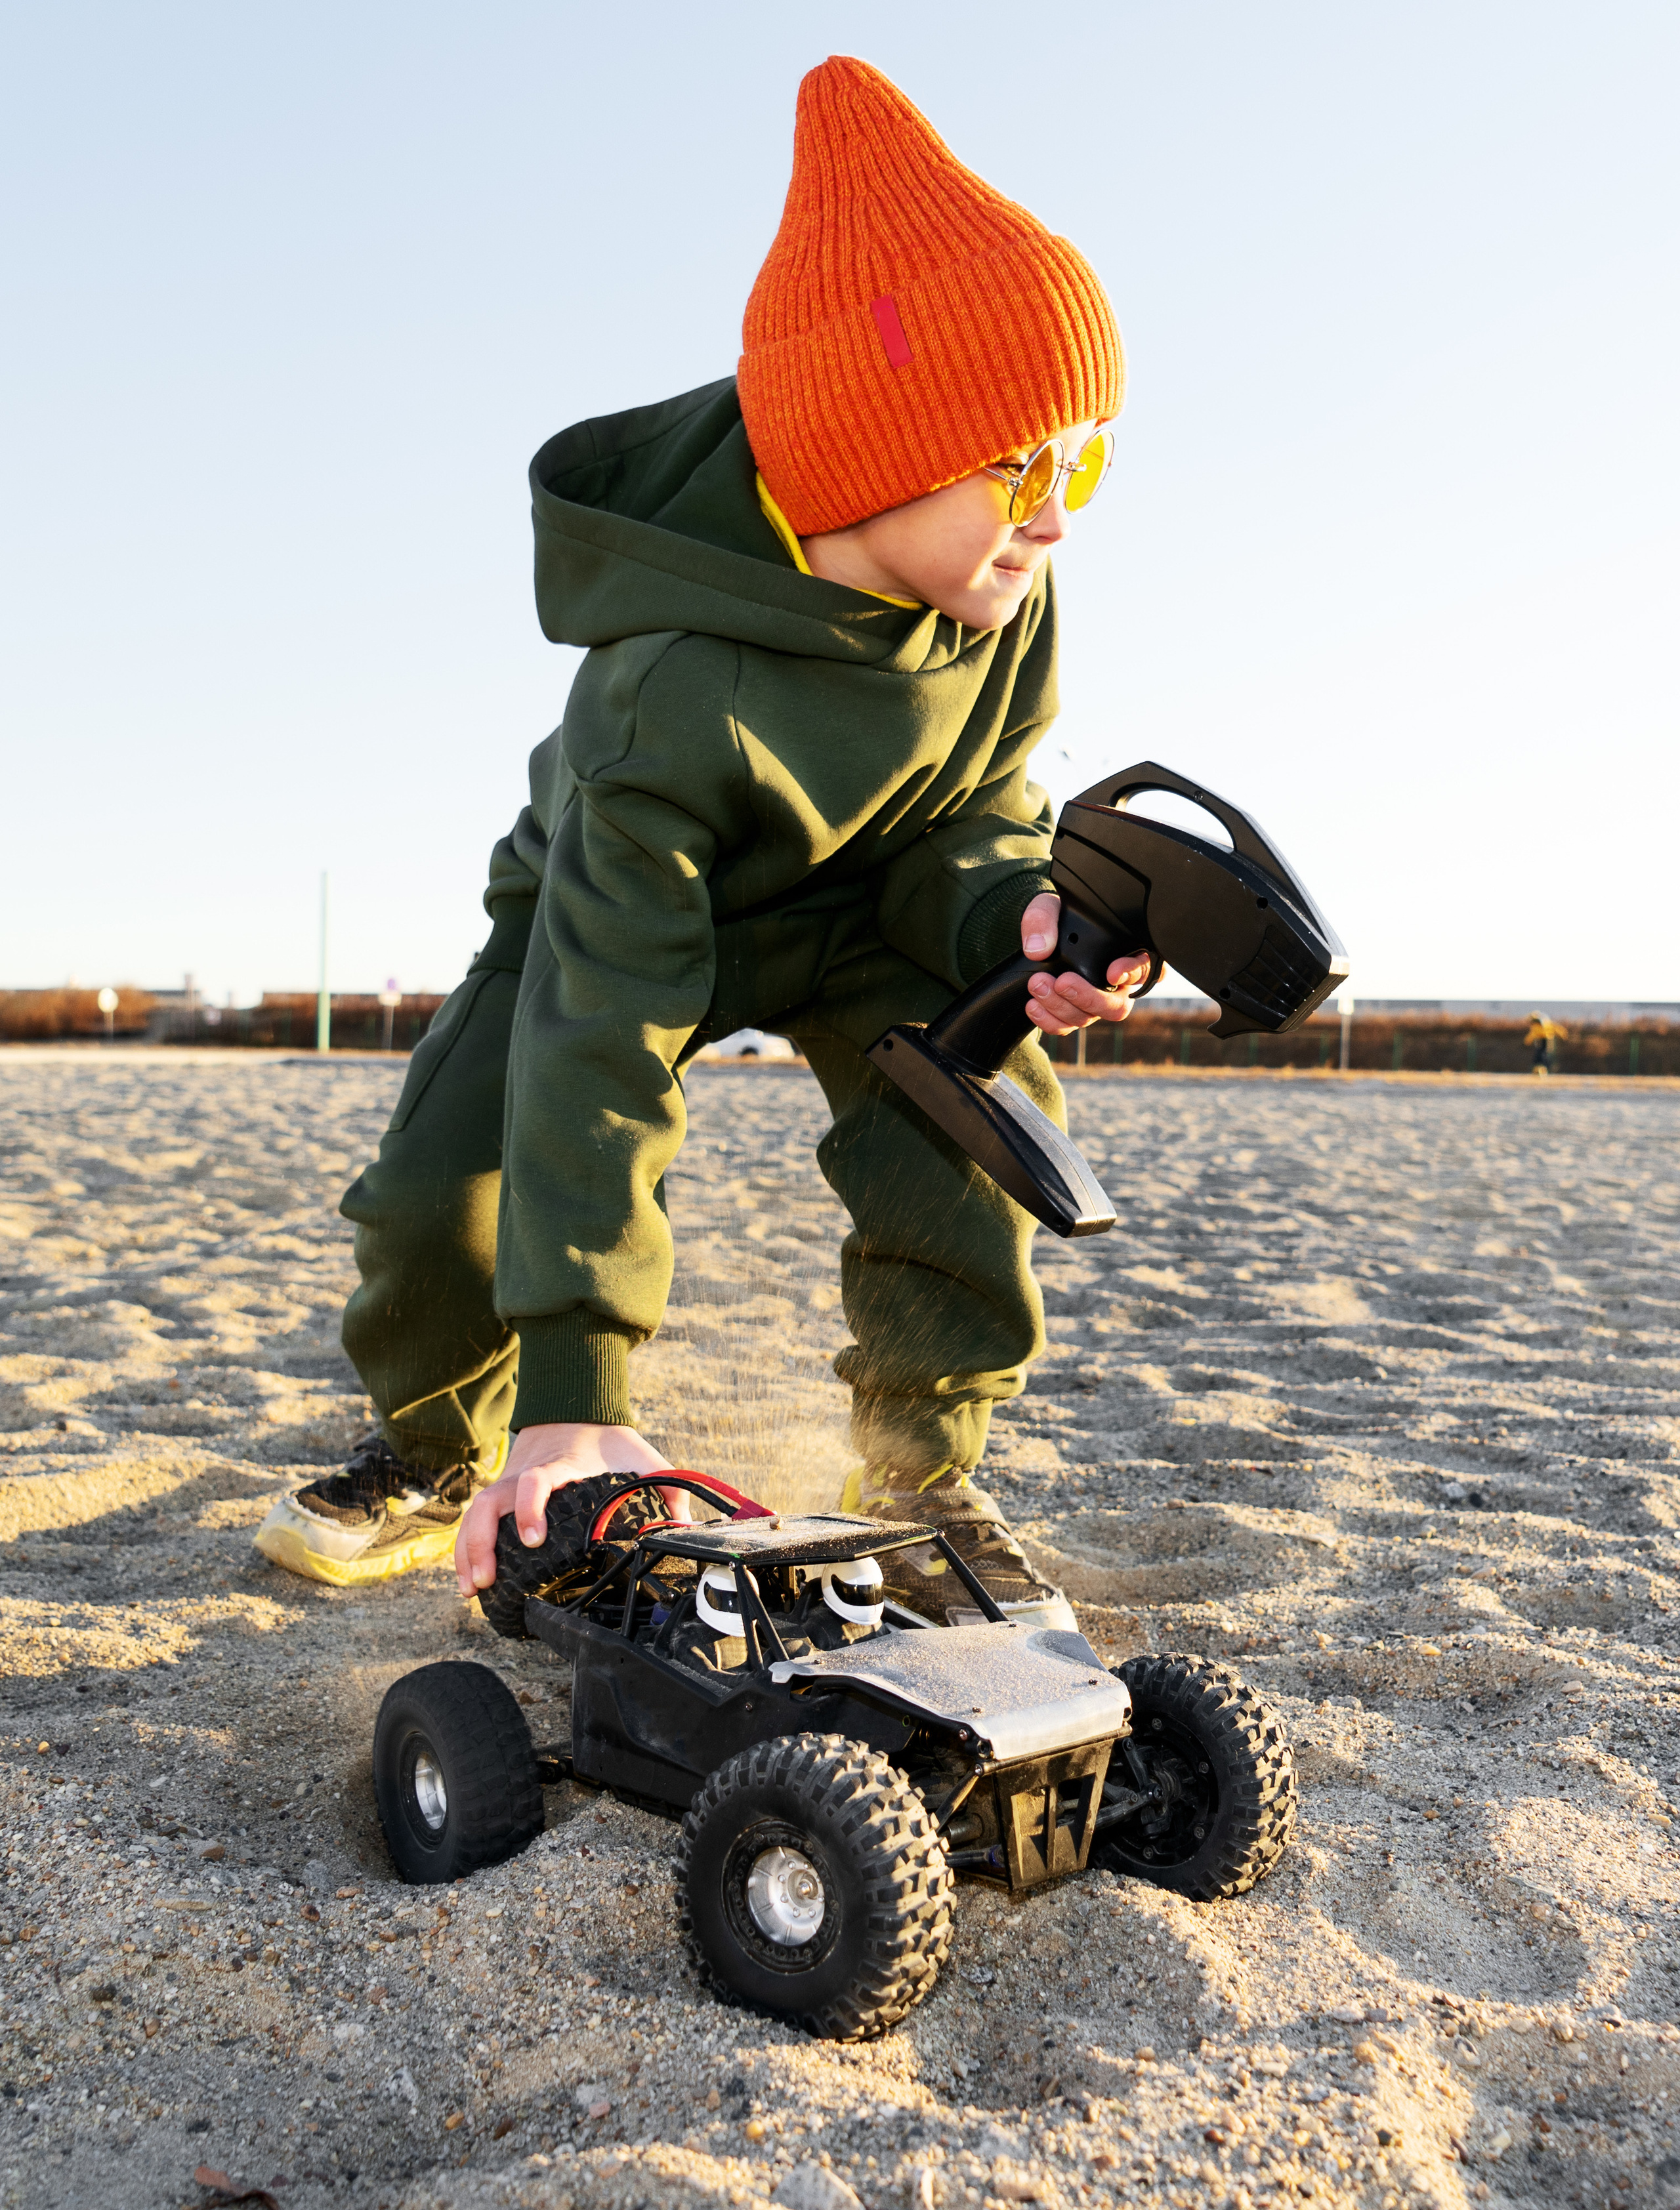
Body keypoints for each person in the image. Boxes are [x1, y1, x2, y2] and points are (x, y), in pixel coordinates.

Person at [254, 54, 1144, 1628]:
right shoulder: (668, 686)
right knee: (434, 1197)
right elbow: (604, 1029)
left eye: (1083, 460)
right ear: (877, 451)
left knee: (968, 1110)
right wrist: (577, 1387)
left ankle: (918, 1465)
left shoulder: (1005, 603)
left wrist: (1008, 914)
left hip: (859, 909)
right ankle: (445, 1453)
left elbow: (981, 806)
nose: (1059, 514)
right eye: (1025, 467)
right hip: (599, 920)